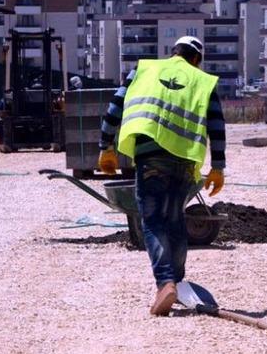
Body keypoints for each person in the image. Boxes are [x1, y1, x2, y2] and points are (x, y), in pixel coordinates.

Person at [97, 36, 226, 316]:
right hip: (183, 161)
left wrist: (105, 146)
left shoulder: (144, 70)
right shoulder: (201, 80)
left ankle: (165, 283)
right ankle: (176, 283)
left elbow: (115, 106)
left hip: (150, 158)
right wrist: (218, 166)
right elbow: (216, 124)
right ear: (196, 59)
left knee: (153, 222)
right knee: (176, 219)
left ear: (173, 53)